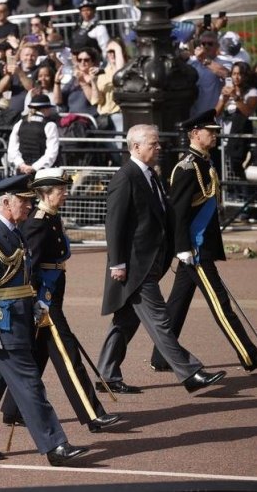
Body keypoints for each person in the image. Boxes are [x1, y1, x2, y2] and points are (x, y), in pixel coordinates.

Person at [0, 174, 89, 467]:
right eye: (24, 201)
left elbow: (23, 275)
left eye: (30, 201)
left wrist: (37, 302)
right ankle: (55, 445)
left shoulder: (14, 232)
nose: (29, 207)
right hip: (2, 326)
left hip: (18, 318)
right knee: (30, 385)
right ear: (6, 202)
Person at [96, 124, 227, 395]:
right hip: (135, 266)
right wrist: (117, 264)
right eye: (153, 144)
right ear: (136, 147)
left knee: (126, 320)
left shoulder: (150, 175)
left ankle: (107, 375)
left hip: (151, 261)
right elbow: (115, 224)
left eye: (157, 143)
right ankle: (190, 372)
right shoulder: (126, 176)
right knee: (160, 321)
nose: (159, 148)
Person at [0, 168, 120, 433]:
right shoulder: (37, 222)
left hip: (53, 296)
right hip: (45, 300)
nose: (64, 194)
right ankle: (92, 413)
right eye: (60, 190)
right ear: (45, 193)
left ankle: (13, 409)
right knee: (69, 356)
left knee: (38, 354)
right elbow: (29, 267)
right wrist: (36, 302)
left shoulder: (52, 218)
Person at [149, 111, 257, 373]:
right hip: (195, 249)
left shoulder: (205, 163)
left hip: (199, 246)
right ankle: (250, 355)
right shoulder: (187, 168)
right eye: (211, 131)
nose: (216, 135)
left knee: (177, 304)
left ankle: (161, 357)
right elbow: (178, 213)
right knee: (221, 305)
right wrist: (183, 248)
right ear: (195, 134)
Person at [7, 94, 60, 175]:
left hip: (22, 171)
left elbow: (12, 149)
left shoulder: (20, 122)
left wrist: (21, 165)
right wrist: (34, 167)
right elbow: (51, 153)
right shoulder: (50, 125)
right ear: (45, 109)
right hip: (42, 172)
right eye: (49, 108)